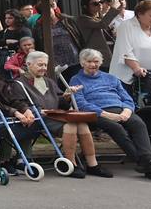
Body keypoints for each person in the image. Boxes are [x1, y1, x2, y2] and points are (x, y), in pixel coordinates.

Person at [72, 49, 151, 179]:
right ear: (82, 63)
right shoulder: (76, 80)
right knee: (116, 128)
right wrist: (106, 114)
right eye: (89, 62)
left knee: (138, 124)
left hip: (121, 110)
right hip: (96, 113)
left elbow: (126, 98)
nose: (93, 65)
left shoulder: (111, 78)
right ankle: (144, 163)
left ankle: (147, 160)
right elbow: (81, 104)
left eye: (96, 61)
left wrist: (127, 110)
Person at [7, 50, 103, 178]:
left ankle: (93, 164)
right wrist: (38, 111)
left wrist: (67, 96)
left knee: (82, 124)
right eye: (40, 65)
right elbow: (18, 104)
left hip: (55, 116)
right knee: (71, 125)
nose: (43, 68)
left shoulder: (49, 81)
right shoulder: (18, 83)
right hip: (37, 118)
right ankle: (70, 164)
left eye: (45, 65)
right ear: (28, 64)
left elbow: (60, 102)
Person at [109, 0, 151, 85]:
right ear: (140, 14)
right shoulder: (126, 26)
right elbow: (125, 52)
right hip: (130, 78)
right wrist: (136, 68)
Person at [73, 0, 117, 67]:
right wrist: (114, 9)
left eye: (101, 2)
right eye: (95, 4)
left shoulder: (99, 17)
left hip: (109, 53)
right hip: (97, 56)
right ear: (85, 6)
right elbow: (102, 24)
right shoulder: (83, 19)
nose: (99, 5)